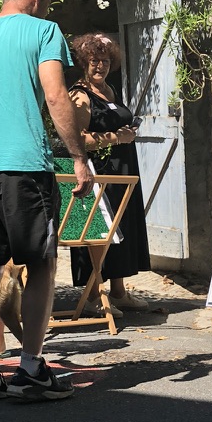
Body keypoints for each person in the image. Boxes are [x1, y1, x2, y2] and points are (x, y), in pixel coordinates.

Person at [0, 0, 93, 403]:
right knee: (41, 264)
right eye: (47, 0)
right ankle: (31, 368)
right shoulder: (43, 30)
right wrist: (77, 155)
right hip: (23, 166)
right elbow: (55, 95)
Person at [68, 33, 151, 313]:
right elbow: (78, 138)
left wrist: (125, 134)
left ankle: (118, 292)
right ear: (83, 63)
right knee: (99, 231)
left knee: (122, 228)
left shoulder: (110, 90)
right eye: (94, 61)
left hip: (123, 167)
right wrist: (116, 138)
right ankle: (93, 297)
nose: (100, 66)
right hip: (99, 171)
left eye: (104, 61)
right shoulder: (79, 95)